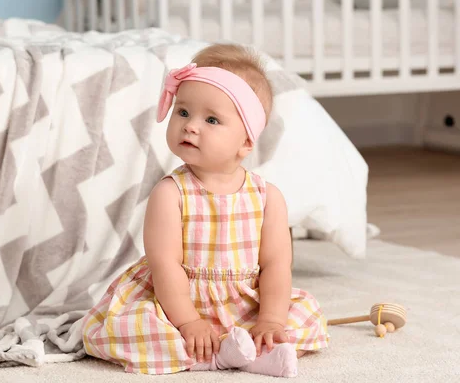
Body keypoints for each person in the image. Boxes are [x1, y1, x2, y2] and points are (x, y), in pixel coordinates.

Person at [81, 43, 329, 377]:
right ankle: (218, 355)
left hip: (245, 304)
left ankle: (253, 346)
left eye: (211, 119)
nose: (191, 126)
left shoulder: (268, 197)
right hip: (178, 303)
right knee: (128, 327)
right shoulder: (171, 193)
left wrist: (270, 320)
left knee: (306, 315)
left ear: (245, 142)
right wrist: (188, 322)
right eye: (183, 112)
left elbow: (275, 265)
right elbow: (165, 266)